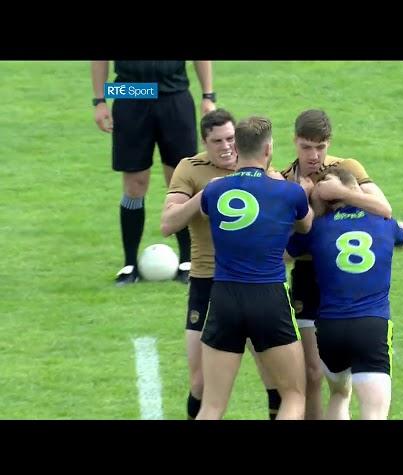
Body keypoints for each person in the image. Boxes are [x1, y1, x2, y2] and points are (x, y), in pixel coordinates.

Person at [160, 108, 284, 420]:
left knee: (274, 379)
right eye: (217, 141)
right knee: (200, 381)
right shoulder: (190, 168)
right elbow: (167, 223)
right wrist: (202, 198)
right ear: (204, 142)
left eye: (231, 138)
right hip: (207, 282)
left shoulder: (260, 170)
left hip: (255, 283)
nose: (227, 146)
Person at [197, 116, 313, 420]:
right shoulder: (290, 193)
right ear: (268, 148)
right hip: (269, 297)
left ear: (235, 148)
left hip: (224, 297)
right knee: (293, 396)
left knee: (212, 405)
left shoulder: (214, 190)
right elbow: (305, 225)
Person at [280, 109, 393, 419]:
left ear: (329, 144)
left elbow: (383, 209)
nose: (314, 155)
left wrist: (341, 192)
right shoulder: (284, 179)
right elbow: (284, 242)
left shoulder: (347, 168)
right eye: (306, 147)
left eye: (321, 147)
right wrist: (308, 204)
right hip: (307, 276)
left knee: (342, 385)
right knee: (313, 373)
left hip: (347, 278)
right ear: (295, 142)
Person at [286, 168, 403, 419]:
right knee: (373, 413)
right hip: (371, 327)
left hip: (330, 329)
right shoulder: (383, 223)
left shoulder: (317, 229)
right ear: (354, 188)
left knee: (340, 394)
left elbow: (285, 252)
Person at [91, 60, 216, 286]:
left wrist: (208, 95)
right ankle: (129, 265)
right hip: (130, 94)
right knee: (134, 185)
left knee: (180, 181)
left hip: (175, 95)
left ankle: (188, 262)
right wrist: (99, 100)